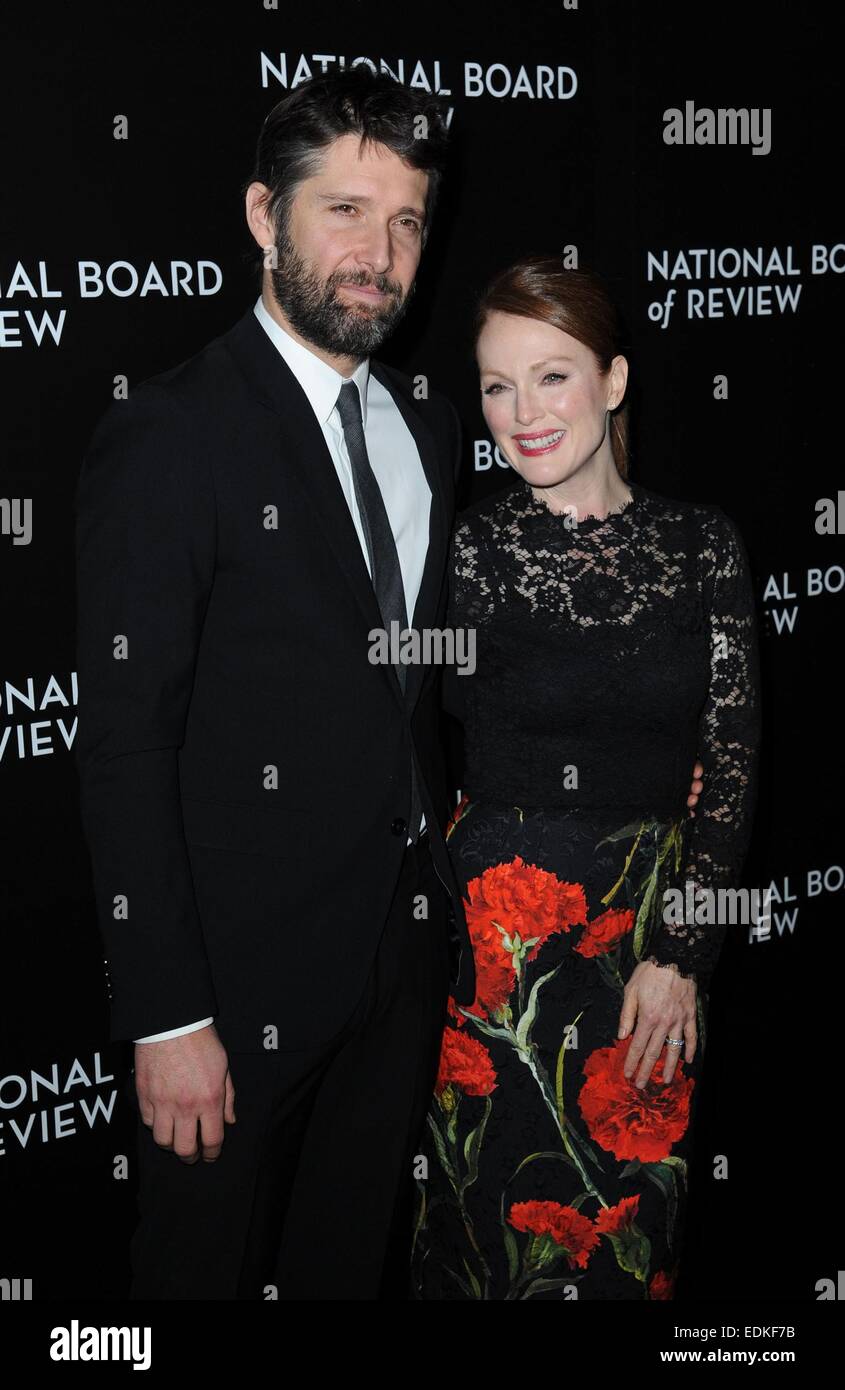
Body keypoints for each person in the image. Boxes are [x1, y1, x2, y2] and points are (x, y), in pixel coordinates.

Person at [75, 68, 704, 1301]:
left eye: (407, 219)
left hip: (413, 971)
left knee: (347, 1268)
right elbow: (124, 745)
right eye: (346, 212)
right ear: (265, 218)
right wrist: (164, 1018)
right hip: (231, 989)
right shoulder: (171, 434)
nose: (380, 252)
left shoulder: (420, 416)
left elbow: (434, 688)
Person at [411, 258, 761, 1301]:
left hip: (644, 959)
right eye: (495, 384)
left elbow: (734, 761)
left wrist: (681, 955)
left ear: (611, 382)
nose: (519, 413)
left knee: (623, 1243)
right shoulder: (464, 551)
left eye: (550, 377)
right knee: (487, 1236)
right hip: (491, 963)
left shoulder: (702, 547)